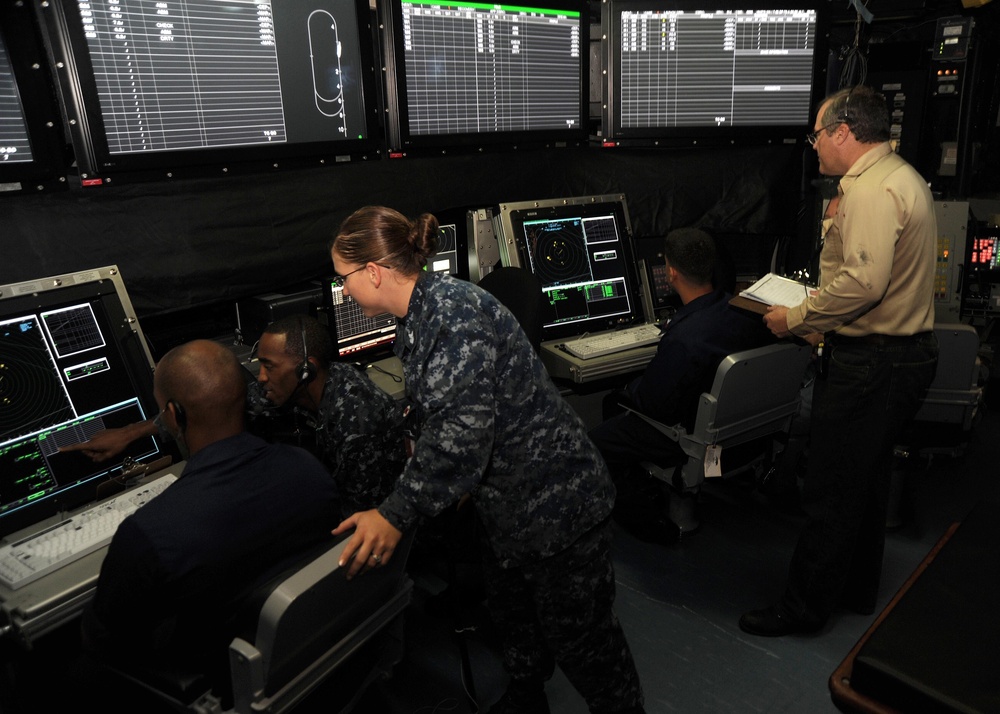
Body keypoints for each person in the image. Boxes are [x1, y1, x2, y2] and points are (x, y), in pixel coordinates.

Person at [329, 206, 645, 714]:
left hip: (556, 503)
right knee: (514, 616)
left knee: (583, 642)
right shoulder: (417, 315)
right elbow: (439, 407)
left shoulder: (451, 316)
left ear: (373, 271)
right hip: (506, 506)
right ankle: (526, 696)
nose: (343, 290)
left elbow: (463, 433)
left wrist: (395, 512)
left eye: (343, 277)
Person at [739, 85, 939, 637]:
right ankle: (854, 589)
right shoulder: (900, 174)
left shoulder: (872, 191)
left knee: (830, 490)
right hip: (902, 356)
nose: (815, 145)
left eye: (818, 134)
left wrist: (800, 318)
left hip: (872, 363)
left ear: (844, 132)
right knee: (866, 485)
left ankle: (801, 610)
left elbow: (864, 284)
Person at [81, 340, 339, 683]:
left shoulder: (149, 533)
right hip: (306, 661)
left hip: (216, 678)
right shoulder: (309, 470)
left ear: (172, 416)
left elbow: (105, 639)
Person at [61, 316, 406, 518]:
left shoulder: (359, 421)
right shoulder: (295, 388)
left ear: (306, 370)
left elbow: (358, 515)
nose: (261, 377)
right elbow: (212, 405)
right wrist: (130, 433)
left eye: (269, 366)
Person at [589, 228, 772, 543]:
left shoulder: (686, 339)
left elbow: (652, 403)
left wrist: (630, 387)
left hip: (684, 436)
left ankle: (643, 519)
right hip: (742, 438)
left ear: (671, 272)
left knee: (595, 439)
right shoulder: (746, 315)